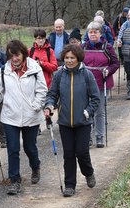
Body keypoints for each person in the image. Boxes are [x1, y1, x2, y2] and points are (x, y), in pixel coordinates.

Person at [0, 39, 47, 196]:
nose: (15, 59)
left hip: (31, 116)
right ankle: (14, 180)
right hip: (10, 116)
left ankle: (35, 167)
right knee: (13, 149)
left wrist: (36, 105)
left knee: (29, 147)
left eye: (17, 55)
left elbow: (42, 90)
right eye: (11, 56)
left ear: (23, 53)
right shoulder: (3, 71)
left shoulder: (34, 68)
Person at [43, 43, 100, 197]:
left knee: (81, 152)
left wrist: (88, 112)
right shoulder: (60, 75)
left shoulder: (87, 74)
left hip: (83, 121)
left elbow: (95, 98)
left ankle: (88, 172)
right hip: (65, 122)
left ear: (78, 58)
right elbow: (52, 95)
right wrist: (49, 106)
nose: (69, 61)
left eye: (72, 58)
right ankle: (70, 185)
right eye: (66, 58)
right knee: (68, 154)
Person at [82, 21, 120, 147]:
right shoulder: (83, 47)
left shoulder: (107, 47)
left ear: (100, 33)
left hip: (101, 83)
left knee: (99, 111)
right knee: (87, 111)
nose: (93, 34)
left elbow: (116, 63)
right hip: (85, 84)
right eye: (90, 32)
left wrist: (108, 70)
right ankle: (87, 137)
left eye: (95, 32)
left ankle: (99, 137)